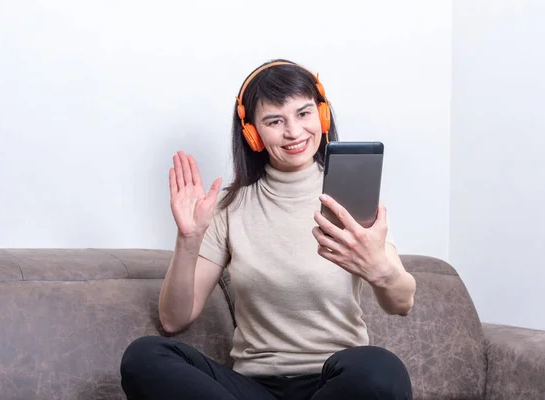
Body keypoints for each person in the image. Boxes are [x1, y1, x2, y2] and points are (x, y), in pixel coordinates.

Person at [120, 59, 416, 400]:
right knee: (144, 356)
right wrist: (188, 239)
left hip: (334, 382)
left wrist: (380, 270)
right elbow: (175, 320)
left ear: (322, 115)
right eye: (275, 121)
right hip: (254, 388)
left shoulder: (351, 198)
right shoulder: (229, 208)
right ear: (253, 134)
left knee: (382, 369)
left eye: (304, 114)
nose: (293, 132)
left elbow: (401, 302)